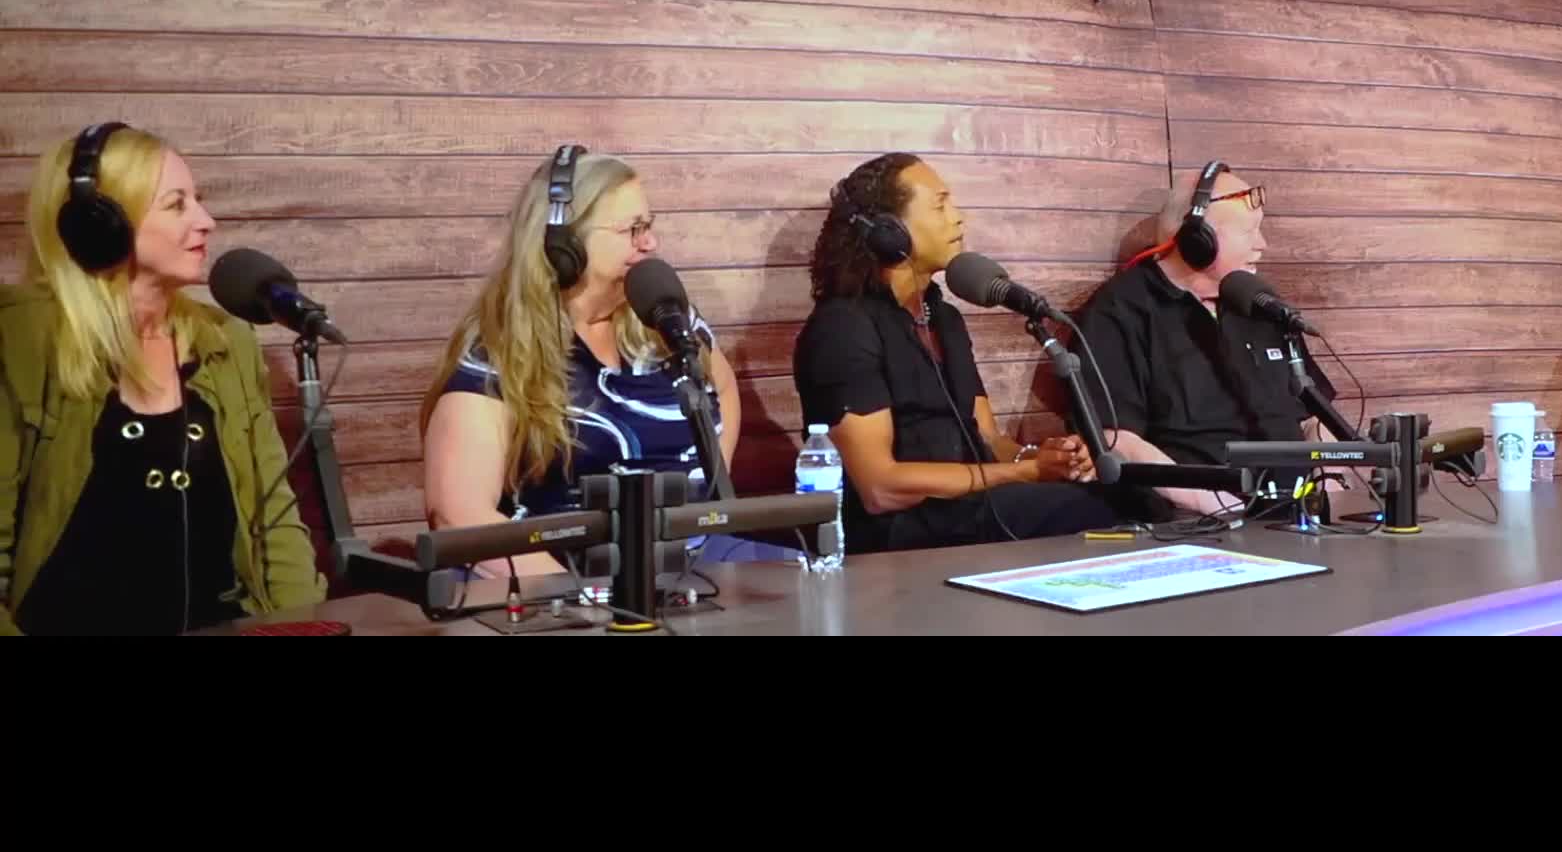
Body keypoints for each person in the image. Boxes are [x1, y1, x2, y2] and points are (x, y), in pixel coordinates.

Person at [1, 122, 326, 635]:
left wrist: (301, 626)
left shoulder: (226, 341)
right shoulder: (20, 341)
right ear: (99, 225)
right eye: (177, 205)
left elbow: (275, 523)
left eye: (199, 201)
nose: (206, 222)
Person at [793, 152, 1146, 553]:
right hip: (894, 533)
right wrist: (1028, 473)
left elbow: (989, 438)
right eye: (940, 206)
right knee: (1081, 509)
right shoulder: (843, 328)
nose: (958, 218)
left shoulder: (944, 319)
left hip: (968, 513)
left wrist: (1044, 457)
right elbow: (880, 487)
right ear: (889, 232)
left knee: (1123, 493)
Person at [419, 146, 744, 579]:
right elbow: (458, 514)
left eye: (649, 226)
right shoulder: (497, 355)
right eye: (633, 229)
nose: (651, 243)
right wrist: (579, 598)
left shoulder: (663, 321)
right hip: (568, 580)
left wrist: (709, 493)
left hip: (700, 565)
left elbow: (722, 390)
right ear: (566, 246)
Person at [1072, 161, 1339, 515]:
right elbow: (1115, 438)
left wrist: (1331, 487)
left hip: (1302, 514)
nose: (1262, 244)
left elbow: (1314, 418)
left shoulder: (1261, 305)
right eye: (1250, 231)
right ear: (1198, 240)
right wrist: (1224, 509)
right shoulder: (1120, 311)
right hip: (1200, 520)